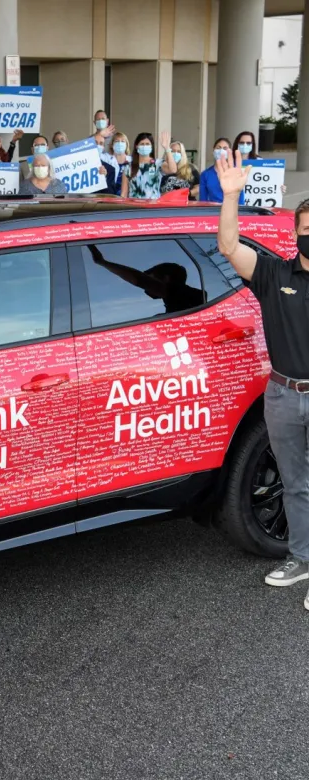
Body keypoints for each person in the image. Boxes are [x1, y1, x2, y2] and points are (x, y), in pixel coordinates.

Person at [215, 150, 309, 597]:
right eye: (308, 232)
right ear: (296, 235)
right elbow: (230, 247)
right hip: (284, 395)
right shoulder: (273, 274)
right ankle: (302, 559)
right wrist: (231, 195)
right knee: (295, 485)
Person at [121, 131, 177, 200]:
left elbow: (173, 169)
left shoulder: (157, 164)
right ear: (136, 146)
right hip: (134, 208)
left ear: (151, 147)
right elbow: (123, 194)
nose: (145, 146)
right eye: (142, 144)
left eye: (147, 144)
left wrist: (167, 148)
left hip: (153, 207)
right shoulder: (128, 167)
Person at [199, 138, 244, 204]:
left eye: (225, 148)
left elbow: (240, 196)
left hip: (232, 209)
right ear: (213, 150)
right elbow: (202, 200)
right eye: (218, 148)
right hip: (212, 211)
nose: (221, 151)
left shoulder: (234, 172)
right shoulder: (205, 174)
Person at [103, 132, 132, 196]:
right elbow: (93, 154)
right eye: (117, 141)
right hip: (110, 196)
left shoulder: (132, 161)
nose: (120, 143)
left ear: (126, 145)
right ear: (112, 145)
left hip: (128, 197)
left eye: (122, 141)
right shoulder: (106, 158)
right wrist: (101, 134)